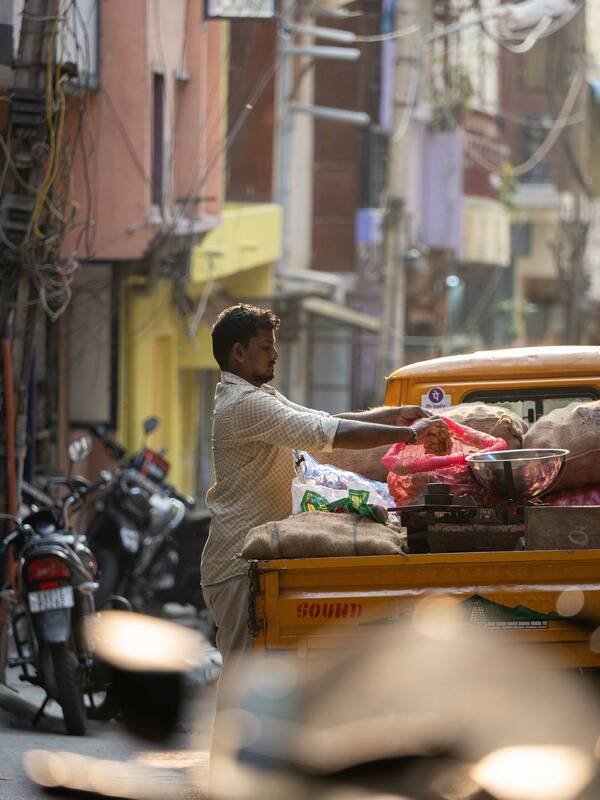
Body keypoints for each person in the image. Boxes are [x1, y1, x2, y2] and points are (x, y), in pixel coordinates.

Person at [201, 304, 446, 665]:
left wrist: (391, 415)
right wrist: (407, 433)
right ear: (238, 353)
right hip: (236, 566)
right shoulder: (243, 404)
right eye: (266, 348)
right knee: (244, 681)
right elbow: (326, 433)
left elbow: (321, 419)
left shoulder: (258, 396)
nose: (276, 355)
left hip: (252, 562)